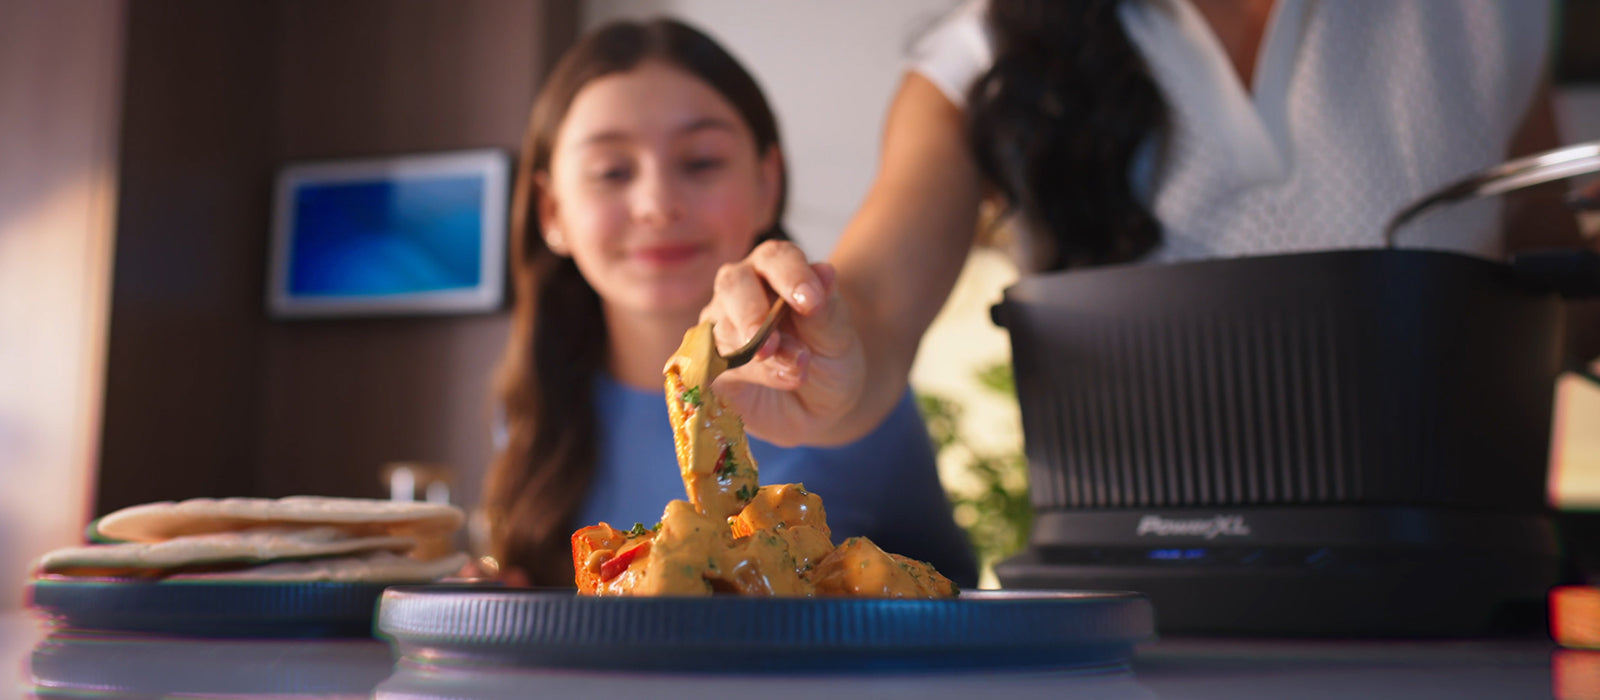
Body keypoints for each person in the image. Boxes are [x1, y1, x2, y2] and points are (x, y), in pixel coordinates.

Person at [701, 0, 1600, 449]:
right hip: (1134, 627)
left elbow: (1554, 304)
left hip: (1453, 606)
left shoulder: (1487, 18)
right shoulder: (983, 55)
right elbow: (872, 312)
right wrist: (818, 357)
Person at [482, 18, 978, 588]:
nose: (658, 204)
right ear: (552, 212)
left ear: (768, 183)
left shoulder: (844, 377)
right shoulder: (536, 403)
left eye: (701, 163)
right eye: (611, 171)